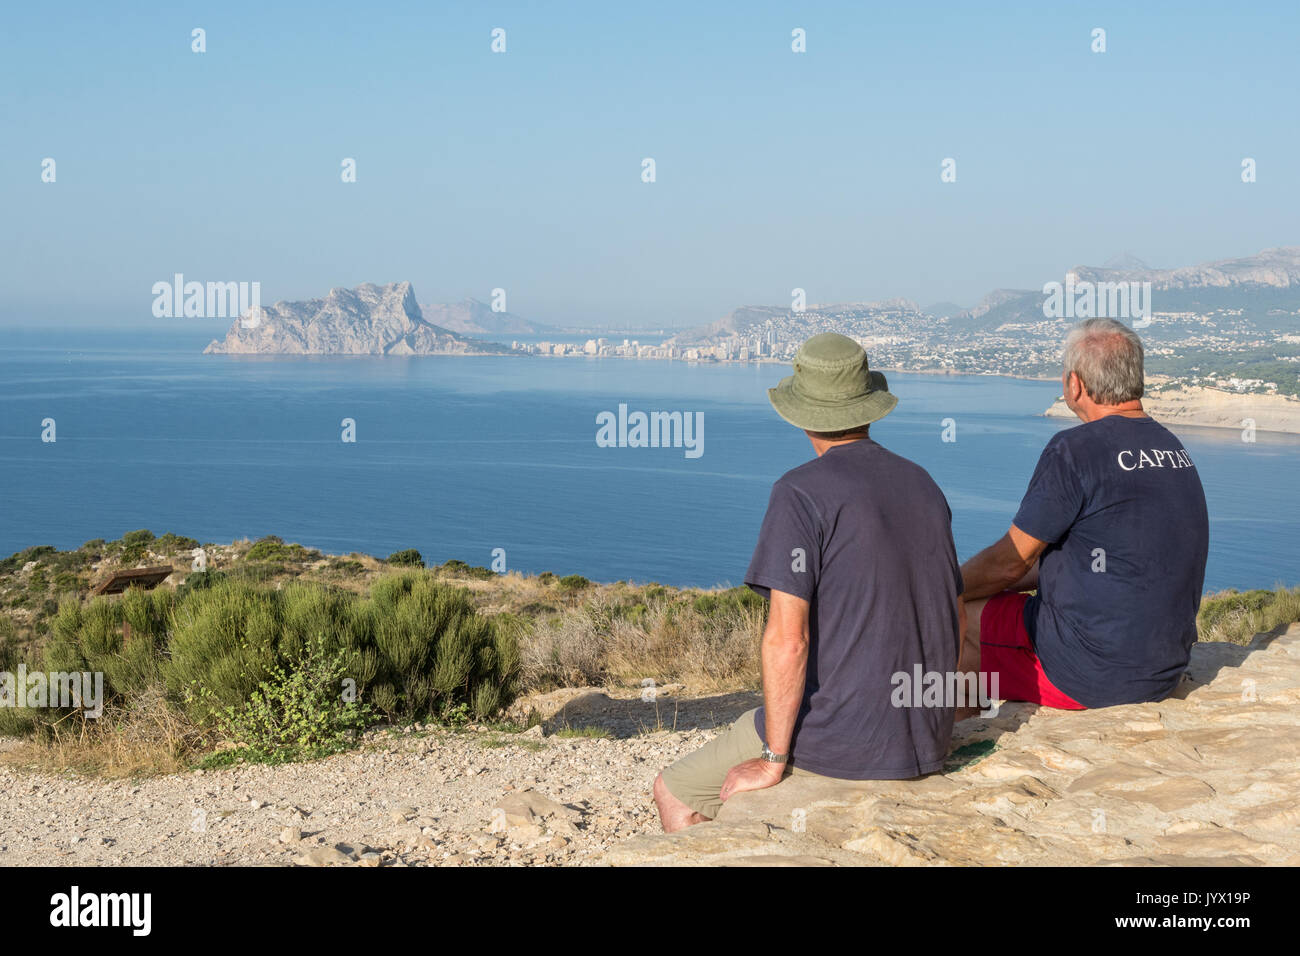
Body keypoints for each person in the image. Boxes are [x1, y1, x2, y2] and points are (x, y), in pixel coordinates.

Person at [653, 332, 963, 831]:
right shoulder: (923, 484)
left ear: (802, 414)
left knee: (675, 791)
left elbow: (787, 640)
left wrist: (774, 757)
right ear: (868, 407)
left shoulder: (799, 492)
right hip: (925, 736)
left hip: (840, 739)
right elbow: (955, 614)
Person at [957, 317, 1209, 716]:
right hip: (1162, 669)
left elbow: (1010, 562)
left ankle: (964, 742)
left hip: (1089, 677)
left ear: (1074, 384)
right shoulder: (1172, 447)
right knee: (986, 602)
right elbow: (1093, 560)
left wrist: (946, 587)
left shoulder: (1074, 450)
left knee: (955, 620)